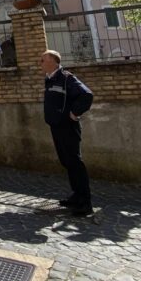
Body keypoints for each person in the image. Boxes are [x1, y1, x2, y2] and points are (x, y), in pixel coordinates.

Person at [41, 49, 94, 216]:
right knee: (67, 161)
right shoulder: (49, 79)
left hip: (68, 127)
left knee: (75, 162)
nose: (40, 63)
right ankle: (76, 196)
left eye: (43, 60)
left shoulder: (66, 78)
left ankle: (85, 203)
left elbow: (86, 95)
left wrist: (74, 113)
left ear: (53, 61)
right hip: (56, 126)